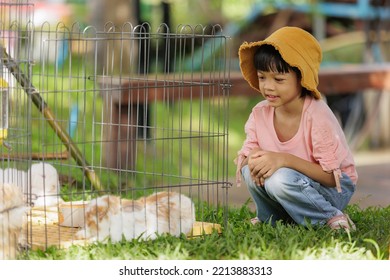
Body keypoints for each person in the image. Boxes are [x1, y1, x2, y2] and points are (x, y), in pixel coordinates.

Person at [235, 26, 358, 231]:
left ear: (301, 78)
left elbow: (331, 178)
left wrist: (284, 159)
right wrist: (256, 157)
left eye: (279, 79)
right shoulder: (260, 113)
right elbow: (247, 157)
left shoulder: (316, 115)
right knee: (250, 169)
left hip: (334, 189)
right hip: (294, 184)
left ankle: (330, 216)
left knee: (280, 179)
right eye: (262, 77)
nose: (268, 86)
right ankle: (272, 218)